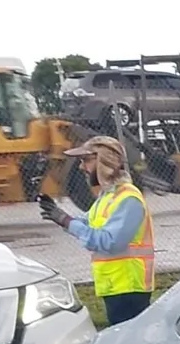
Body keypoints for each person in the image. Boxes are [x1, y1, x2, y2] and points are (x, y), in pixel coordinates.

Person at [39, 136, 155, 325]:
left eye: (86, 160)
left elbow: (110, 242)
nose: (81, 167)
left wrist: (67, 221)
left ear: (105, 161)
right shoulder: (108, 196)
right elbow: (88, 224)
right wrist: (61, 218)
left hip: (129, 288)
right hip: (116, 286)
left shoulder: (128, 198)